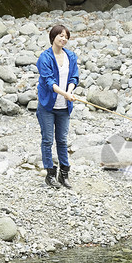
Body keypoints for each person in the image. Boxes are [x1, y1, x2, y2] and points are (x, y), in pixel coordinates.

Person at [36, 24, 79, 188]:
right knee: (47, 140)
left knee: (62, 140)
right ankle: (50, 175)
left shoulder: (71, 57)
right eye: (60, 35)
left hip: (64, 107)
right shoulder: (44, 58)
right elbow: (48, 82)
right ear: (53, 37)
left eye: (66, 36)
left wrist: (69, 91)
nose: (64, 39)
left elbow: (74, 77)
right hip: (47, 106)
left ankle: (64, 175)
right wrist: (64, 94)